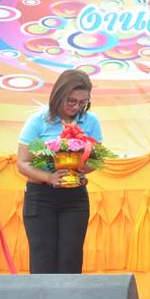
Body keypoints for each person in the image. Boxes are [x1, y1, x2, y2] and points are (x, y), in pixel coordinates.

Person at [16, 69, 102, 274]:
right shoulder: (37, 121)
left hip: (74, 198)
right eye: (71, 101)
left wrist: (83, 168)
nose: (76, 107)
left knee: (70, 260)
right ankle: (41, 297)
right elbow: (23, 163)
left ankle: (70, 297)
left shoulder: (91, 122)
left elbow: (97, 159)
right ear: (58, 95)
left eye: (83, 102)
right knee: (43, 260)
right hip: (41, 197)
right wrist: (49, 177)